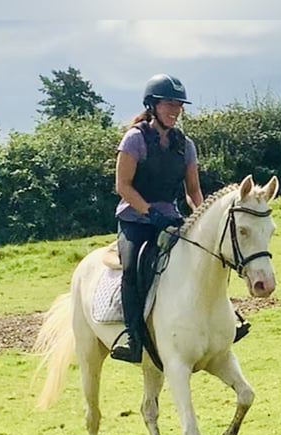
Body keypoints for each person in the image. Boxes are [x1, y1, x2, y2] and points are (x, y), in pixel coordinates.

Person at [110, 73, 204, 363]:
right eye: (168, 105)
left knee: (203, 260)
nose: (175, 111)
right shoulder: (135, 139)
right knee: (131, 269)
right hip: (135, 220)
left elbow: (194, 190)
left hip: (170, 218)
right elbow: (122, 186)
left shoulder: (184, 144)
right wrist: (149, 212)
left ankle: (218, 323)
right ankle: (132, 336)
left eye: (178, 105)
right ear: (152, 105)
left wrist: (200, 216)